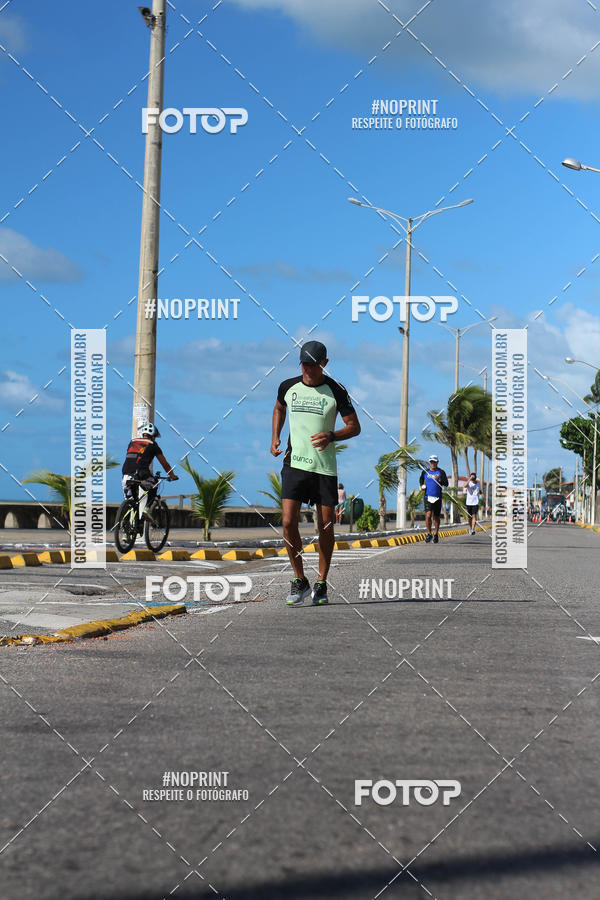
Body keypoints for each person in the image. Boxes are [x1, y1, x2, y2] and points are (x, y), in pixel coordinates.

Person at [271, 340, 361, 606]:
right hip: (294, 463)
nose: (307, 369)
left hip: (323, 468)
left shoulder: (336, 390)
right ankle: (299, 579)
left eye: (312, 364)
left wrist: (332, 436)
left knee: (325, 525)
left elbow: (354, 426)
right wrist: (275, 437)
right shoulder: (288, 387)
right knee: (288, 522)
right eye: (304, 364)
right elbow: (278, 408)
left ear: (324, 364)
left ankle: (321, 582)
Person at [121, 422, 178, 522]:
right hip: (141, 475)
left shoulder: (132, 442)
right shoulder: (153, 445)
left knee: (130, 502)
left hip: (126, 475)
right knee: (154, 485)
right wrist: (172, 475)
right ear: (153, 436)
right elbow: (165, 464)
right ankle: (147, 509)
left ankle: (125, 531)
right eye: (155, 437)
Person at [419, 454, 449, 544]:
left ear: (437, 462)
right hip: (428, 496)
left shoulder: (441, 472)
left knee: (436, 517)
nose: (433, 463)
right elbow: (421, 480)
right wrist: (422, 486)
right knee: (428, 515)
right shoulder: (425, 472)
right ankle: (429, 534)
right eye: (431, 462)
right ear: (429, 462)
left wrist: (439, 479)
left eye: (434, 462)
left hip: (438, 497)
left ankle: (436, 534)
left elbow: (446, 483)